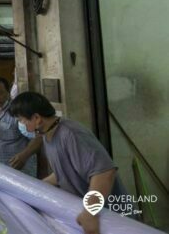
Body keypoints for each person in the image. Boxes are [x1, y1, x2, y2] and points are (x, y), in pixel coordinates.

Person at [10, 92, 128, 234]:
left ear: (36, 118)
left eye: (22, 120)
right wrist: (36, 187)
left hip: (112, 218)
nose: (21, 124)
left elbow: (104, 172)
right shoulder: (47, 136)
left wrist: (90, 212)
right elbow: (64, 171)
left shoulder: (71, 134)